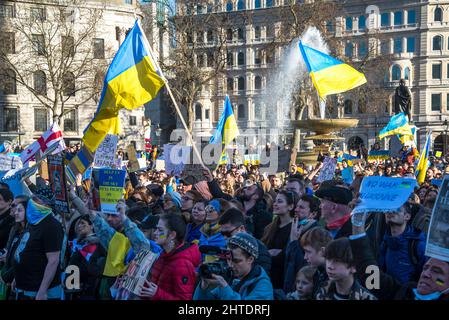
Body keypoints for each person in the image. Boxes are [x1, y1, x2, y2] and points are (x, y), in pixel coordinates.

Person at [350, 212, 449, 300]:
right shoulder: (404, 292)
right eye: (425, 268)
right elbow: (371, 276)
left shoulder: (418, 246)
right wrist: (357, 225)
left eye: (437, 271)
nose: (425, 274)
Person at [193, 232, 273, 300]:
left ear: (250, 259)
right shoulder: (228, 277)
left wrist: (225, 288)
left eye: (236, 261)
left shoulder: (263, 285)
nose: (230, 265)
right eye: (228, 259)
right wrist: (204, 288)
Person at [138, 214, 201, 300]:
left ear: (172, 235)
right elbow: (152, 288)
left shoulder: (182, 264)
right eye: (156, 229)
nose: (155, 233)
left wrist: (157, 293)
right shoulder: (163, 255)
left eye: (160, 230)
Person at [12, 197, 64, 300]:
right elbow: (25, 249)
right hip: (25, 287)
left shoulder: (51, 225)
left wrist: (42, 291)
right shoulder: (33, 221)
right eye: (32, 199)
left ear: (46, 204)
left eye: (36, 200)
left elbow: (53, 261)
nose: (32, 202)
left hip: (39, 292)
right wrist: (16, 278)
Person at [378, 203, 427, 285]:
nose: (390, 212)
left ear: (407, 216)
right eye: (387, 210)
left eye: (397, 209)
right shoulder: (385, 242)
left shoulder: (418, 245)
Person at [261, 190, 298, 290]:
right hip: (267, 277)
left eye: (280, 201)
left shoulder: (294, 229)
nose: (275, 204)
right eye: (275, 201)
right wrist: (269, 253)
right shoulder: (270, 228)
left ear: (290, 206)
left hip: (283, 279)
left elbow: (288, 255)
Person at [283, 194, 321, 293]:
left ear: (313, 214)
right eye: (297, 206)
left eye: (301, 207)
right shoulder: (296, 228)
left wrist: (294, 241)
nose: (296, 209)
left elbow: (304, 264)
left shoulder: (315, 234)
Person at [219, 208, 271, 275]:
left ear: (241, 228)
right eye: (222, 234)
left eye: (228, 233)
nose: (224, 237)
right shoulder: (228, 246)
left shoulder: (260, 251)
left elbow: (260, 279)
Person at [65, 215, 106, 300]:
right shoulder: (77, 243)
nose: (79, 226)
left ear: (91, 226)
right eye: (78, 224)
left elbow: (94, 269)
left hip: (89, 291)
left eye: (83, 223)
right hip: (76, 290)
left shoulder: (98, 244)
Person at [300, 226, 333, 296]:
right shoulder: (318, 273)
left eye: (308, 252)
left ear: (322, 251)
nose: (305, 257)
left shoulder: (334, 279)